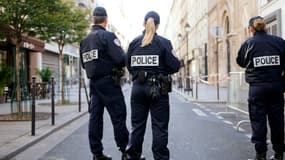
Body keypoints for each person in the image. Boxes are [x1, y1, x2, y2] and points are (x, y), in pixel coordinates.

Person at [124, 11, 180, 160]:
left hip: (138, 89)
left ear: (144, 23)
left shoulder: (134, 43)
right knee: (160, 128)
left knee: (137, 127)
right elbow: (175, 65)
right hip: (158, 90)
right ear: (158, 25)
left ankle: (133, 156)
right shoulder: (163, 43)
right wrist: (161, 70)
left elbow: (128, 65)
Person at [79, 6, 129, 160]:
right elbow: (120, 59)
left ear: (93, 19)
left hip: (93, 84)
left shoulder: (84, 41)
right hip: (109, 83)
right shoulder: (107, 36)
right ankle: (125, 151)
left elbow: (83, 64)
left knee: (95, 118)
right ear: (106, 20)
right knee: (118, 116)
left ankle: (97, 153)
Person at [236, 16, 285, 160]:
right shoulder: (279, 42)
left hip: (257, 88)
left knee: (258, 121)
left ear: (251, 29)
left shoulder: (248, 43)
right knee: (277, 120)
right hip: (276, 86)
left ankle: (261, 154)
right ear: (265, 27)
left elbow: (241, 61)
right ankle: (279, 154)